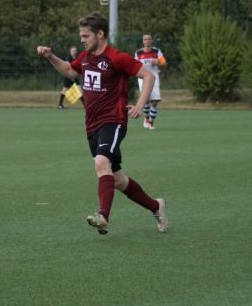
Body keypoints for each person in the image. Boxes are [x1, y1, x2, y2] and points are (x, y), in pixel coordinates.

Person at [37, 12, 169, 235]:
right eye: (81, 35)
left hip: (113, 120)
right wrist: (51, 56)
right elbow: (70, 71)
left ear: (100, 34)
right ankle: (156, 206)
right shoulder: (86, 57)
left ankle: (103, 216)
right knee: (117, 179)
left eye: (86, 35)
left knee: (100, 163)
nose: (82, 39)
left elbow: (148, 76)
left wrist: (139, 104)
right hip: (92, 125)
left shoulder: (117, 57)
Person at [134, 34, 166, 130]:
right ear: (143, 41)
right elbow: (135, 65)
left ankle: (151, 121)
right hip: (142, 76)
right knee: (146, 99)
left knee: (155, 101)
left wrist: (157, 62)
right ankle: (146, 119)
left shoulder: (156, 52)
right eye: (145, 39)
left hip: (154, 76)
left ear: (151, 41)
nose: (147, 41)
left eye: (149, 39)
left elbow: (164, 63)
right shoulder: (138, 53)